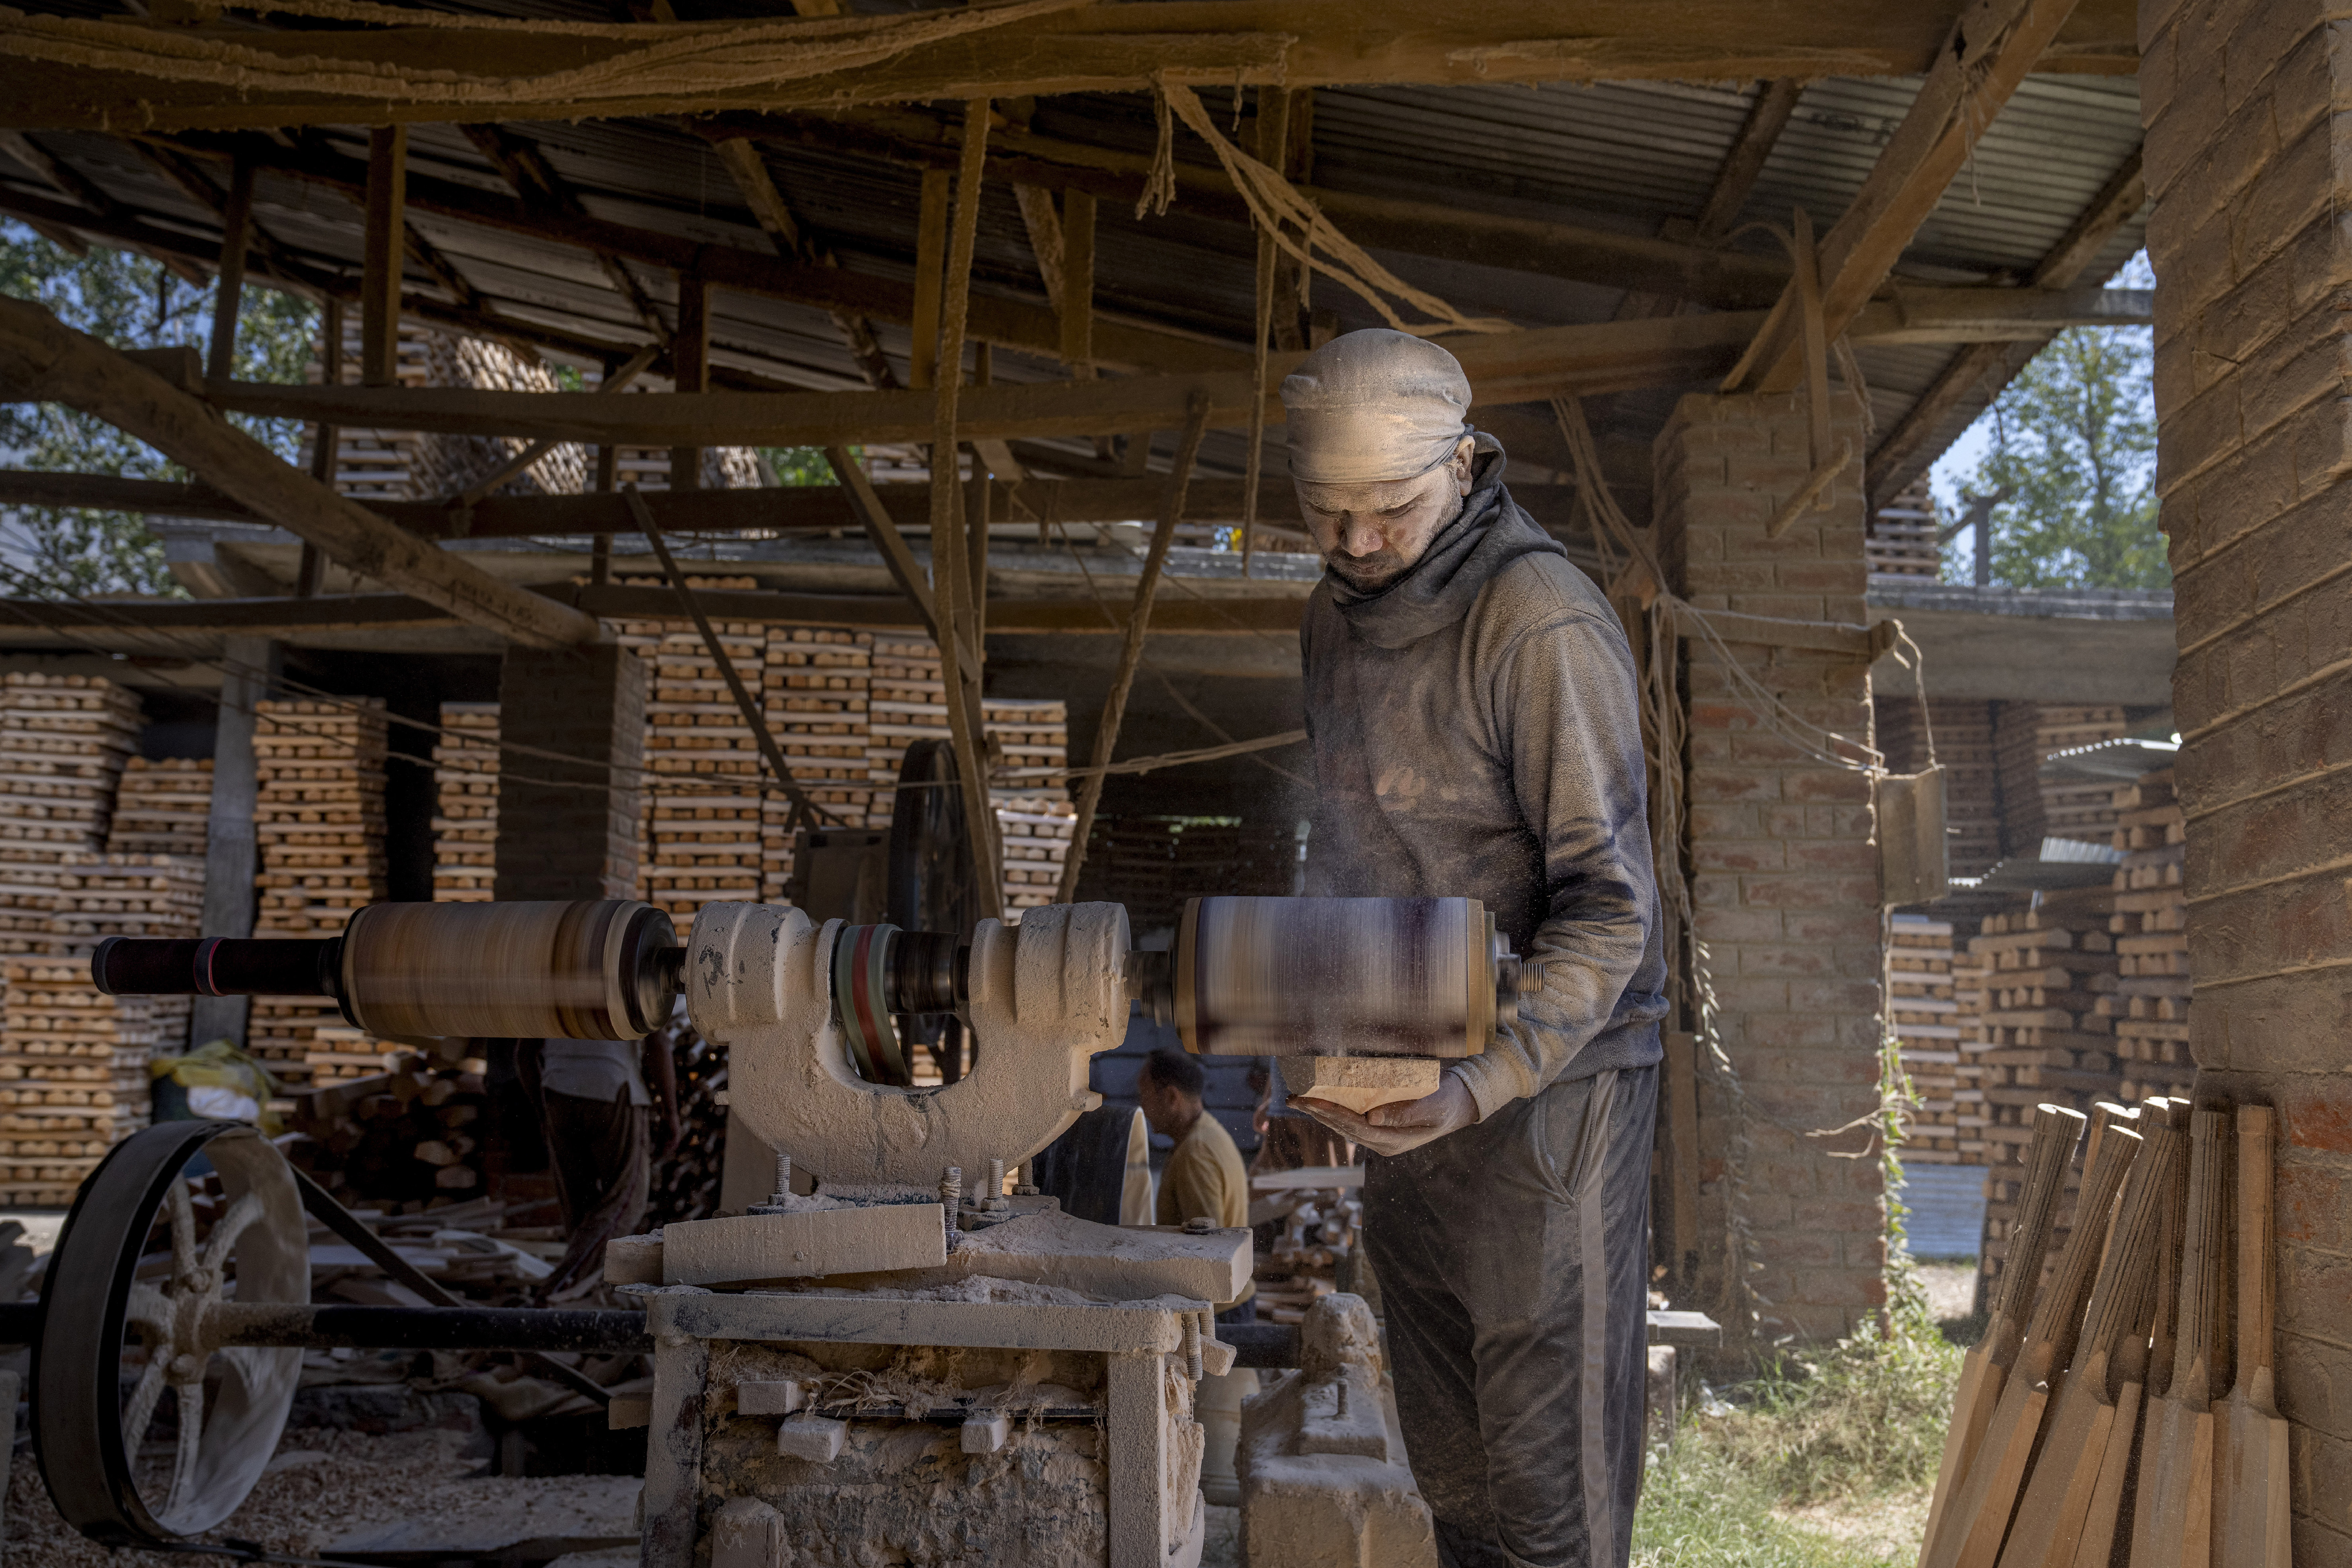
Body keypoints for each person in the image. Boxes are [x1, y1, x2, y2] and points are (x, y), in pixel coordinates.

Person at [1278, 328, 1667, 1568]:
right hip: (1407, 1079)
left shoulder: (1539, 623)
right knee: (1451, 1478)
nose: (1354, 543)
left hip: (1555, 1089)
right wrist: (1315, 1038)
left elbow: (1610, 906)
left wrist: (1482, 1079)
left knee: (1546, 1497)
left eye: (1386, 510)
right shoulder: (1331, 622)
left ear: (1463, 465)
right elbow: (1341, 850)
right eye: (1325, 512)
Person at [535, 1034, 680, 1298]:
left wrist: (542, 1108)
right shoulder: (636, 989)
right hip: (612, 1085)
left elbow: (524, 1052)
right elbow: (658, 1042)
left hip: (556, 1088)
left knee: (581, 1207)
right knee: (627, 1201)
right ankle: (557, 1290)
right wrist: (670, 1112)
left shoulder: (541, 989)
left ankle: (582, 1296)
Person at [1135, 1046, 1256, 1323]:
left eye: (1145, 1094)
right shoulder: (1209, 1131)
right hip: (1231, 1301)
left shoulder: (1195, 1153)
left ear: (1171, 1097)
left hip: (1220, 1314)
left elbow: (1206, 1253)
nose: (1142, 1105)